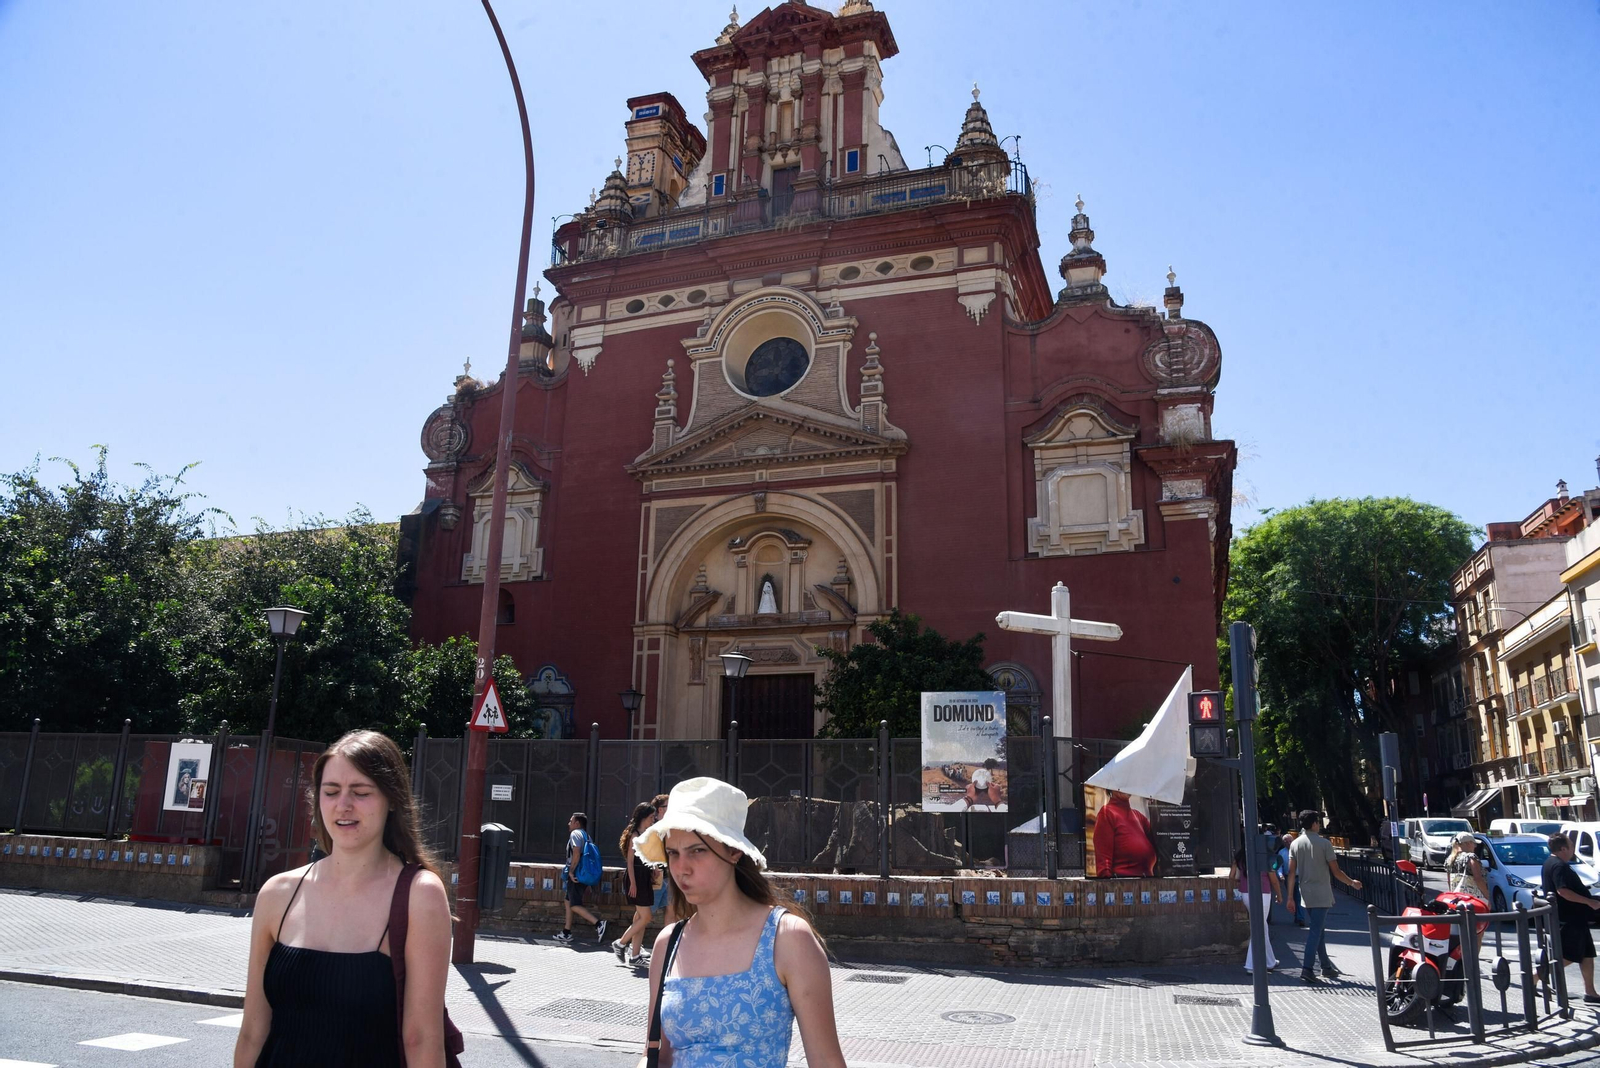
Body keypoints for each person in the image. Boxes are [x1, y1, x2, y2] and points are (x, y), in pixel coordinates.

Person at [235, 730, 453, 1068]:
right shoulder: (277, 894)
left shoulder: (419, 895)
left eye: (361, 792)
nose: (343, 805)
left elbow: (422, 1039)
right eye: (331, 791)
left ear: (392, 799)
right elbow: (252, 1031)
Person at [633, 777, 846, 1068]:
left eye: (698, 850)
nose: (682, 868)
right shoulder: (667, 944)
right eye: (673, 853)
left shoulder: (787, 938)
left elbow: (826, 1061)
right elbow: (657, 1054)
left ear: (734, 851)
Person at [1286, 809, 1363, 984]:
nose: (1319, 825)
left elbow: (1291, 873)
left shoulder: (1295, 844)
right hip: (1321, 892)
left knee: (1318, 929)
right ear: (1314, 824)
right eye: (1318, 822)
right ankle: (1307, 968)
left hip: (1305, 892)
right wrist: (1352, 883)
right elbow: (1336, 872)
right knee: (1315, 931)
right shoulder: (1324, 844)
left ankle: (1326, 967)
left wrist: (1290, 896)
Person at [1541, 833, 1600, 1004]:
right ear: (1563, 849)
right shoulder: (1558, 866)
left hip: (1576, 917)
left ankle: (1590, 992)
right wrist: (1589, 901)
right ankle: (1535, 976)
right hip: (1568, 918)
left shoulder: (1553, 863)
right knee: (1570, 955)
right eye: (1571, 846)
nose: (1573, 849)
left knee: (1587, 954)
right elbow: (1563, 891)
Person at [613, 801, 658, 967]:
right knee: (646, 917)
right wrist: (633, 883)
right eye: (652, 817)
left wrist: (653, 868)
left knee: (640, 917)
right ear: (644, 817)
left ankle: (635, 955)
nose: (653, 819)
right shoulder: (634, 835)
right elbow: (630, 862)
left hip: (643, 876)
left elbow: (644, 857)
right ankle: (621, 943)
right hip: (636, 877)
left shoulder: (644, 833)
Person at [557, 812, 607, 944]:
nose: (569, 823)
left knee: (574, 905)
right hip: (584, 872)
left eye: (571, 821)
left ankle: (599, 924)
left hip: (577, 874)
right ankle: (566, 932)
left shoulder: (575, 834)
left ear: (577, 823)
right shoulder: (586, 835)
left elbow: (576, 853)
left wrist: (571, 872)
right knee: (568, 901)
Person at [1230, 846, 1282, 972]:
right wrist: (1280, 895)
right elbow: (1274, 880)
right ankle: (1251, 965)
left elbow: (1232, 876)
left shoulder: (1240, 858)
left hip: (1246, 893)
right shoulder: (1264, 858)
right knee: (1259, 928)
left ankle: (1270, 961)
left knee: (1262, 926)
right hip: (1263, 893)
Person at [1093, 790, 1157, 878]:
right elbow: (1103, 864)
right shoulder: (1107, 814)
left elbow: (1160, 838)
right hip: (1122, 886)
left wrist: (1156, 804)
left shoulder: (1139, 817)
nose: (1125, 787)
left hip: (1147, 885)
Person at [649, 793, 676, 926]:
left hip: (669, 875)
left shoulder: (670, 827)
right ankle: (629, 943)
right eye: (669, 806)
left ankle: (667, 943)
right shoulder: (653, 827)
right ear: (660, 809)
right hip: (657, 874)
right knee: (646, 913)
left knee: (671, 910)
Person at [1445, 832, 1489, 900]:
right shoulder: (1470, 857)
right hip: (1472, 900)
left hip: (1456, 898)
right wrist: (1487, 896)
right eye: (1474, 843)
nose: (1475, 846)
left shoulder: (1450, 859)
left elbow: (1449, 881)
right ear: (1468, 843)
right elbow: (1478, 879)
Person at [1277, 832, 1307, 927]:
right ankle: (1296, 915)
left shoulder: (1300, 851)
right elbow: (1278, 866)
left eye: (1290, 841)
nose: (1288, 843)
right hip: (1287, 878)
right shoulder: (1281, 853)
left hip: (1299, 877)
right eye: (1286, 842)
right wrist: (1280, 875)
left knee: (1299, 896)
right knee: (1292, 897)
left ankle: (1300, 918)